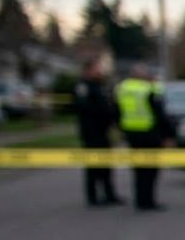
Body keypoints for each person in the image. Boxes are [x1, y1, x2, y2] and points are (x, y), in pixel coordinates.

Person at [114, 63, 172, 210]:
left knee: (138, 168)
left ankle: (140, 200)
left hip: (131, 133)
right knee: (151, 169)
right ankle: (148, 200)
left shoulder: (122, 88)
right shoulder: (147, 89)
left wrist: (120, 128)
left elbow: (115, 110)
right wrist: (168, 134)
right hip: (149, 133)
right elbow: (159, 114)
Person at [73, 58, 124, 207]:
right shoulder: (83, 87)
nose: (100, 71)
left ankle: (109, 194)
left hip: (103, 131)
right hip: (92, 132)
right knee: (94, 166)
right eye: (97, 68)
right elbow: (84, 108)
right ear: (88, 70)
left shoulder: (99, 86)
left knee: (106, 164)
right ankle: (93, 197)